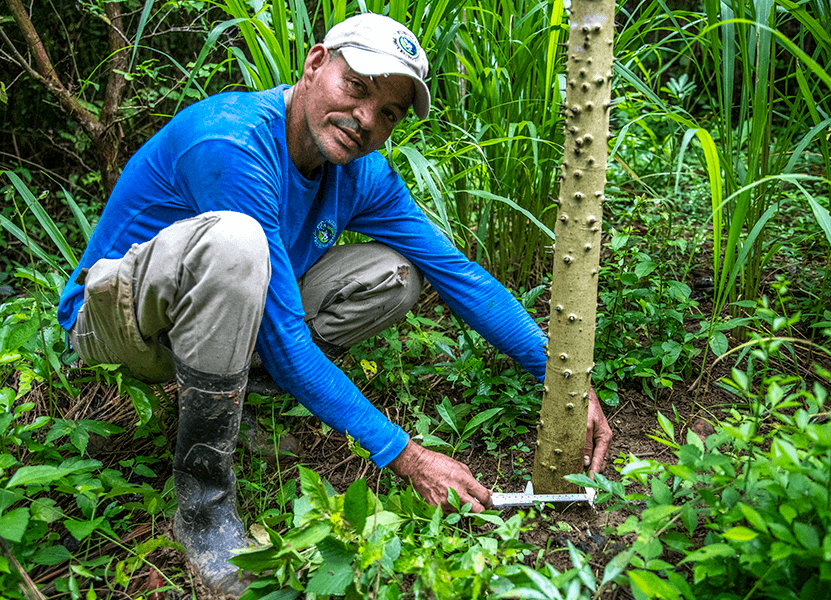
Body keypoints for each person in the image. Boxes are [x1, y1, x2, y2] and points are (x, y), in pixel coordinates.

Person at [57, 13, 613, 597]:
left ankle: (232, 402)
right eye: (358, 87)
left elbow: (459, 275)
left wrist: (563, 381)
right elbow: (287, 339)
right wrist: (407, 456)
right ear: (316, 64)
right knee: (238, 243)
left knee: (395, 275)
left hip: (213, 325)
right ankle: (203, 505)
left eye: (389, 113)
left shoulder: (360, 173)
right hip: (118, 324)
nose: (366, 120)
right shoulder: (233, 141)